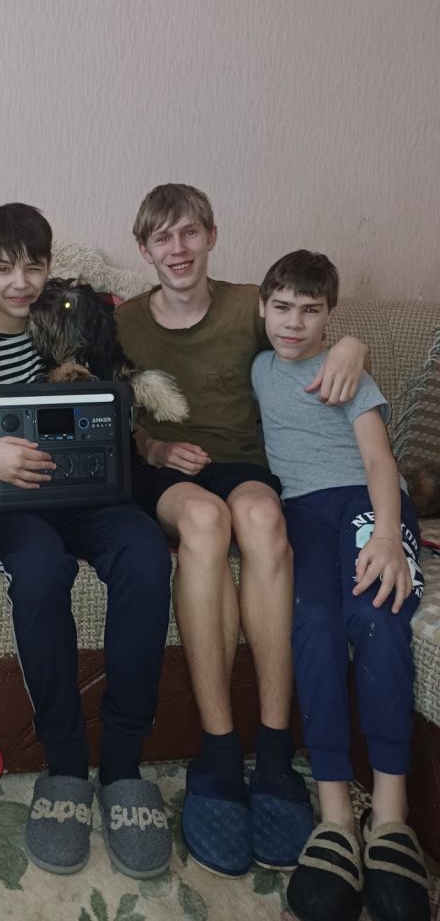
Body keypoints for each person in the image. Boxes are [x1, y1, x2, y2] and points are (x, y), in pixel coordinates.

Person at [115, 184, 368, 879]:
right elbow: (107, 412)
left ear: (212, 236)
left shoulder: (247, 306)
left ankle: (276, 751)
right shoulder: (124, 321)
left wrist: (353, 342)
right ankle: (220, 751)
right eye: (162, 238)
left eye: (190, 233)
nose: (178, 249)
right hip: (168, 474)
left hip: (246, 465)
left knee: (259, 516)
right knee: (204, 518)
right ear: (144, 250)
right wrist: (157, 449)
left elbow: (308, 338)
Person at [0, 203, 174, 880]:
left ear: (48, 266)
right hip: (3, 509)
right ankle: (64, 763)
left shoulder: (64, 330)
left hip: (88, 497)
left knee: (145, 551)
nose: (20, 282)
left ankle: (122, 766)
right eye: (3, 267)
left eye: (33, 266)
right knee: (39, 566)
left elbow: (111, 404)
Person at [252, 250, 429, 921]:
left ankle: (391, 816)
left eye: (310, 311)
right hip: (302, 513)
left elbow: (380, 459)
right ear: (262, 309)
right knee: (312, 624)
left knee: (377, 614)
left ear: (329, 316)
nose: (293, 323)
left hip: (365, 503)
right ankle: (335, 816)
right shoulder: (258, 366)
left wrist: (386, 534)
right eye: (281, 308)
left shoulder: (347, 371)